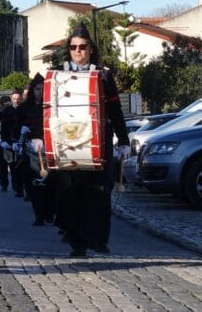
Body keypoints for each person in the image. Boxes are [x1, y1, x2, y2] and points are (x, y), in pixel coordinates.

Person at [52, 27, 130, 258]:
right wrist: (39, 136)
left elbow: (115, 110)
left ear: (90, 49)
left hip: (99, 140)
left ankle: (98, 239)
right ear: (69, 50)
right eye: (74, 47)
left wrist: (123, 140)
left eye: (82, 46)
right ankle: (77, 242)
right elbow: (46, 109)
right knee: (71, 192)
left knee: (100, 191)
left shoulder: (104, 77)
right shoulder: (57, 76)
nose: (78, 51)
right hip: (68, 141)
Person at [16, 74, 53, 226]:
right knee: (35, 183)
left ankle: (49, 211)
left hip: (49, 149)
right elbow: (16, 126)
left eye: (43, 89)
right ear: (33, 90)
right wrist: (22, 131)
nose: (40, 92)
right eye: (38, 89)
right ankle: (39, 215)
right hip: (32, 150)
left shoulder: (51, 106)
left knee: (50, 183)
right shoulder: (25, 108)